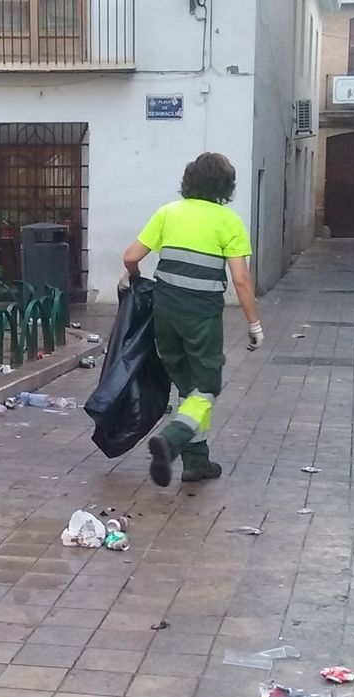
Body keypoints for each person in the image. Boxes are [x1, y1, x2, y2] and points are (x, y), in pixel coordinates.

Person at [122, 152, 262, 487]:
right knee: (207, 386)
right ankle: (171, 440)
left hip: (165, 312)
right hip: (201, 316)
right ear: (226, 186)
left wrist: (134, 276)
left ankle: (196, 463)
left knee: (188, 387)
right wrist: (254, 325)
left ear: (189, 180)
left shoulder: (168, 213)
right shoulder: (229, 221)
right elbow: (241, 280)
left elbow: (130, 256)